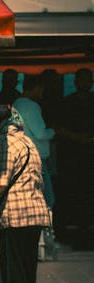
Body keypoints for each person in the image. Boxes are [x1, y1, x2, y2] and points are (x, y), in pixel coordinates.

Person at [0, 105, 50, 283]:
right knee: (28, 265)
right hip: (36, 210)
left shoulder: (5, 142)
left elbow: (1, 182)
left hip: (15, 212)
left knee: (13, 266)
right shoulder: (28, 141)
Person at [57, 68, 94, 240]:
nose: (85, 84)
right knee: (71, 189)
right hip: (71, 155)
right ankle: (70, 224)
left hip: (90, 154)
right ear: (75, 82)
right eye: (82, 80)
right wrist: (78, 138)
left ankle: (87, 223)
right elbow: (59, 128)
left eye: (88, 80)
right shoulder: (67, 103)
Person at [12, 74, 55, 210]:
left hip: (22, 158)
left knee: (30, 198)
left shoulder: (16, 104)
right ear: (36, 88)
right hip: (36, 158)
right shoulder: (32, 106)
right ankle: (45, 230)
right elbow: (41, 134)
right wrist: (54, 131)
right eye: (42, 89)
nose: (42, 93)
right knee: (47, 199)